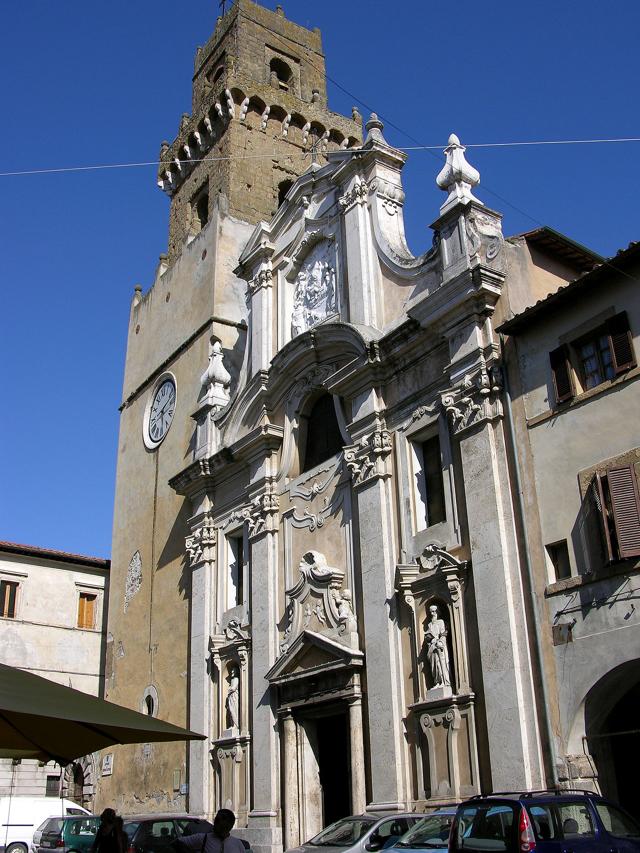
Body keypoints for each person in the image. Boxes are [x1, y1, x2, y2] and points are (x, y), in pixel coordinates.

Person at [176, 810, 245, 853]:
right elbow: (176, 842)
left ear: (230, 826)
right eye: (216, 821)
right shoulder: (202, 839)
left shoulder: (237, 844)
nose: (216, 825)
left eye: (221, 824)